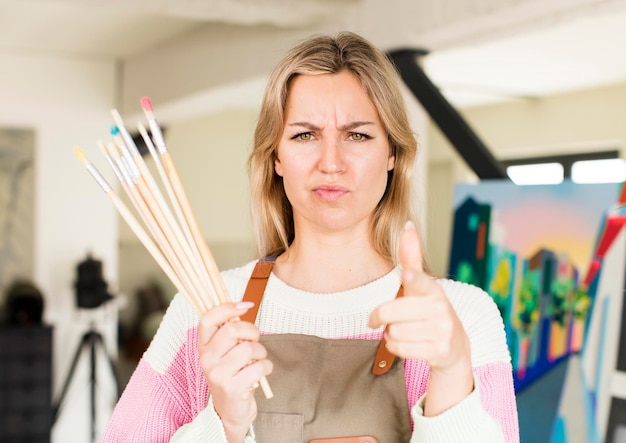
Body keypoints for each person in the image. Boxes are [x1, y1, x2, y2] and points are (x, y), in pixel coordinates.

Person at [102, 31, 519, 442]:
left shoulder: (462, 317)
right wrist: (222, 425)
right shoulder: (206, 311)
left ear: (392, 153)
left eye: (357, 135)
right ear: (277, 157)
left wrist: (451, 373)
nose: (331, 162)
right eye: (305, 135)